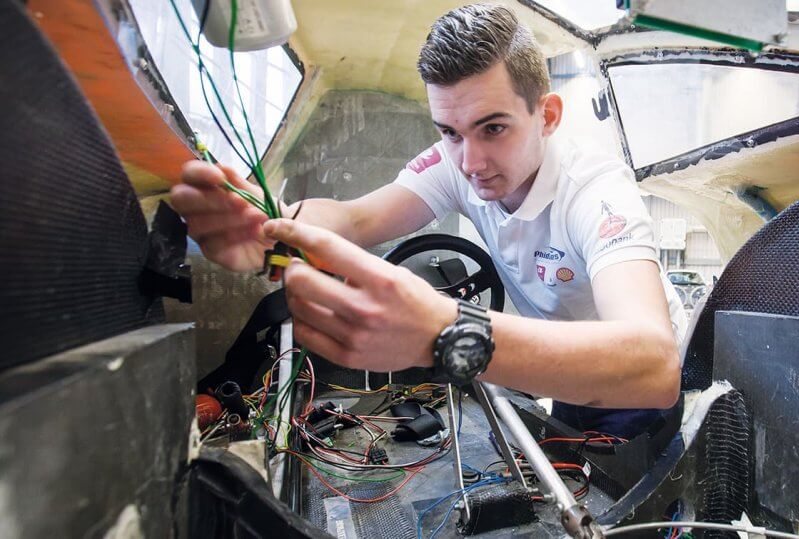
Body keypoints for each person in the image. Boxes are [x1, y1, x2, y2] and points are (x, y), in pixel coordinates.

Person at [170, 3, 686, 438]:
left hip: (634, 385)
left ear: (547, 116)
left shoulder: (595, 191)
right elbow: (351, 220)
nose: (470, 163)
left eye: (493, 128)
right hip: (561, 373)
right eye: (450, 132)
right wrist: (274, 223)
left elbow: (654, 366)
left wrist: (448, 331)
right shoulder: (456, 165)